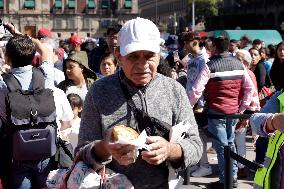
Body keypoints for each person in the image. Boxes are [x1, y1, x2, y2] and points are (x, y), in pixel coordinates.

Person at [76, 17, 202, 189]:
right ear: (119, 55)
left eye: (149, 56)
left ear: (159, 55)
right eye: (133, 57)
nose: (142, 65)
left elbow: (195, 145)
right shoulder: (98, 92)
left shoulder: (174, 91)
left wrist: (170, 150)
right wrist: (105, 148)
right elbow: (81, 153)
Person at [0, 23, 73, 189]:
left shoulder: (2, 84)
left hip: (17, 152)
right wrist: (22, 35)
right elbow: (46, 51)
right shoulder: (46, 74)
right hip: (45, 150)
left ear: (7, 58)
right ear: (33, 55)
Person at [188, 37, 254, 188]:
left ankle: (226, 181)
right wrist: (242, 108)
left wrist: (189, 106)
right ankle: (233, 178)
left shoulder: (210, 65)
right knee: (230, 144)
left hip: (216, 112)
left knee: (222, 146)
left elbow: (197, 90)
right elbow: (249, 88)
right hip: (234, 112)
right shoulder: (239, 64)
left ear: (215, 48)